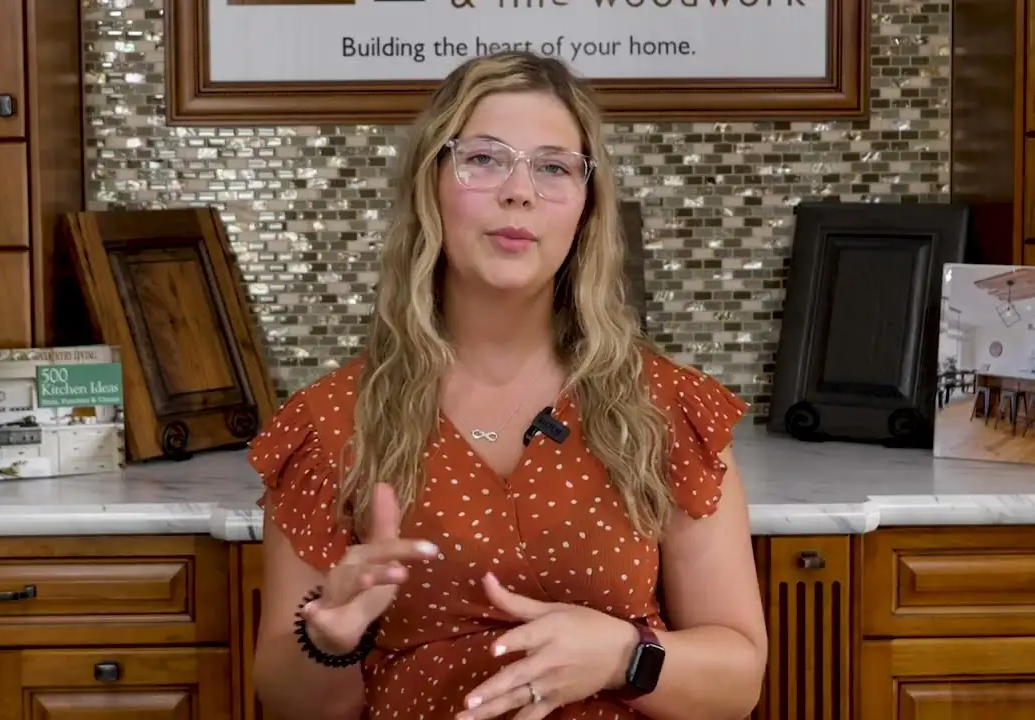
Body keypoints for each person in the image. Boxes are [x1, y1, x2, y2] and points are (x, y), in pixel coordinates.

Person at [248, 50, 767, 720]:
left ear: (585, 207)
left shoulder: (666, 408)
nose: (519, 191)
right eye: (485, 159)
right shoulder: (330, 423)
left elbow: (738, 681)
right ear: (430, 184)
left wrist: (623, 655)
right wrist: (330, 638)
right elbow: (292, 704)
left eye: (553, 167)